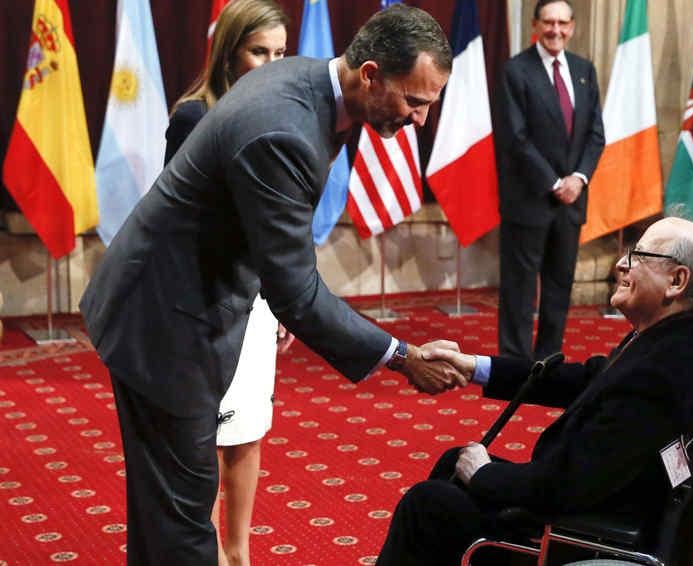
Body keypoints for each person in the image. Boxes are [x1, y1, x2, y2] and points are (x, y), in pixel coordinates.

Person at [79, 5, 462, 564]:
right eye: (415, 101)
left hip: (173, 302)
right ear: (371, 74)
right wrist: (402, 356)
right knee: (184, 521)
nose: (420, 121)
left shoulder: (306, 80)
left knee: (163, 510)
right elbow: (297, 292)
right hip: (166, 325)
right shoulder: (284, 130)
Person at [376, 217, 693, 566]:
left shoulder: (662, 374)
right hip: (601, 505)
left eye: (639, 256)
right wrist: (472, 366)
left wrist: (484, 475)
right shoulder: (676, 344)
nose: (621, 264)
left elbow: (566, 486)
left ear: (677, 281)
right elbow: (583, 379)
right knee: (453, 465)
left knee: (428, 504)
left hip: (583, 534)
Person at [163, 2, 291, 565]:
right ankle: (207, 557)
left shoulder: (282, 115)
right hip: (208, 304)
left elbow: (281, 223)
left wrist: (282, 296)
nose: (269, 64)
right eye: (258, 51)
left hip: (259, 300)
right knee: (206, 443)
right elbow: (175, 223)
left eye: (280, 54)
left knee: (246, 433)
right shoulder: (194, 117)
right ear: (229, 52)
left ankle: (238, 556)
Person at [494, 0, 605, 361]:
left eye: (562, 23)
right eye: (548, 22)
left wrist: (578, 179)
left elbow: (595, 135)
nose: (555, 30)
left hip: (572, 202)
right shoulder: (516, 70)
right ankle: (515, 364)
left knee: (559, 288)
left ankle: (547, 362)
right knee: (519, 290)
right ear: (535, 25)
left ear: (572, 26)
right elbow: (515, 137)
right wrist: (555, 183)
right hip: (530, 200)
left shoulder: (584, 70)